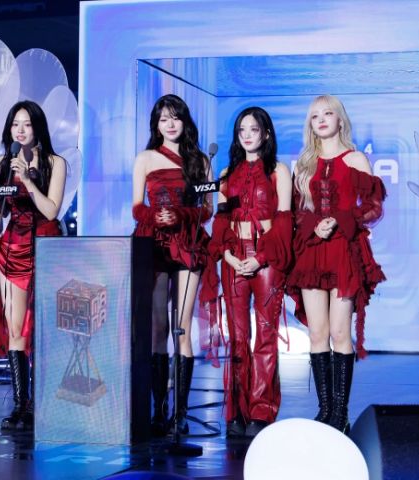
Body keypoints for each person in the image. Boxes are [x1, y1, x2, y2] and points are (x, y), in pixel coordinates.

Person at [288, 95, 386, 433]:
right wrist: (313, 225)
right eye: (315, 115)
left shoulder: (355, 158)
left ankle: (340, 414)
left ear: (340, 119)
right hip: (312, 251)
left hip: (344, 249)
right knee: (317, 333)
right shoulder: (304, 164)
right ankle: (325, 410)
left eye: (328, 113)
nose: (321, 119)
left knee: (340, 331)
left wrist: (341, 220)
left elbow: (374, 206)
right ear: (310, 124)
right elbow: (296, 212)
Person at [132, 94, 216, 436]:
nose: (170, 124)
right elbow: (137, 207)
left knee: (181, 327)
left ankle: (180, 413)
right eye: (164, 118)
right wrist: (155, 216)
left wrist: (180, 214)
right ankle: (159, 410)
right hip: (153, 243)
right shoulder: (145, 158)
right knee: (158, 327)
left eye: (175, 117)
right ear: (156, 124)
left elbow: (208, 209)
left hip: (187, 242)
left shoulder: (200, 160)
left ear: (185, 121)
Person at [209, 107, 293, 438]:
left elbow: (284, 221)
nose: (246, 135)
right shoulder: (226, 173)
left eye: (253, 129)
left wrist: (260, 258)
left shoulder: (278, 171)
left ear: (266, 134)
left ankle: (261, 410)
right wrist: (228, 256)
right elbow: (220, 220)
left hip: (266, 258)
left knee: (266, 334)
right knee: (238, 337)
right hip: (233, 257)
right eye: (241, 130)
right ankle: (237, 411)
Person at [0, 101, 66, 431]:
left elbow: (51, 211)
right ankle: (21, 405)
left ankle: (43, 402)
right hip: (12, 248)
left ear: (38, 127)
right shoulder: (2, 163)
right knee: (15, 329)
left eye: (26, 124)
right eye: (15, 124)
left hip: (45, 248)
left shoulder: (55, 163)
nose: (20, 130)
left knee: (43, 330)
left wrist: (28, 181)